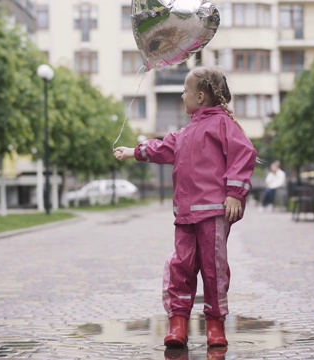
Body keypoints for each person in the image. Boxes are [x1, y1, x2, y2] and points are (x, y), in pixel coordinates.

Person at [113, 65, 257, 349]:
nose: (182, 96)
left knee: (213, 268)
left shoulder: (222, 124)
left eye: (185, 91)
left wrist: (234, 194)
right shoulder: (186, 132)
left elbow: (244, 154)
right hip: (185, 214)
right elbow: (163, 147)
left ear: (200, 96)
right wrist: (133, 151)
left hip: (214, 211)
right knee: (181, 266)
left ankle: (215, 324)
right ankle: (178, 322)